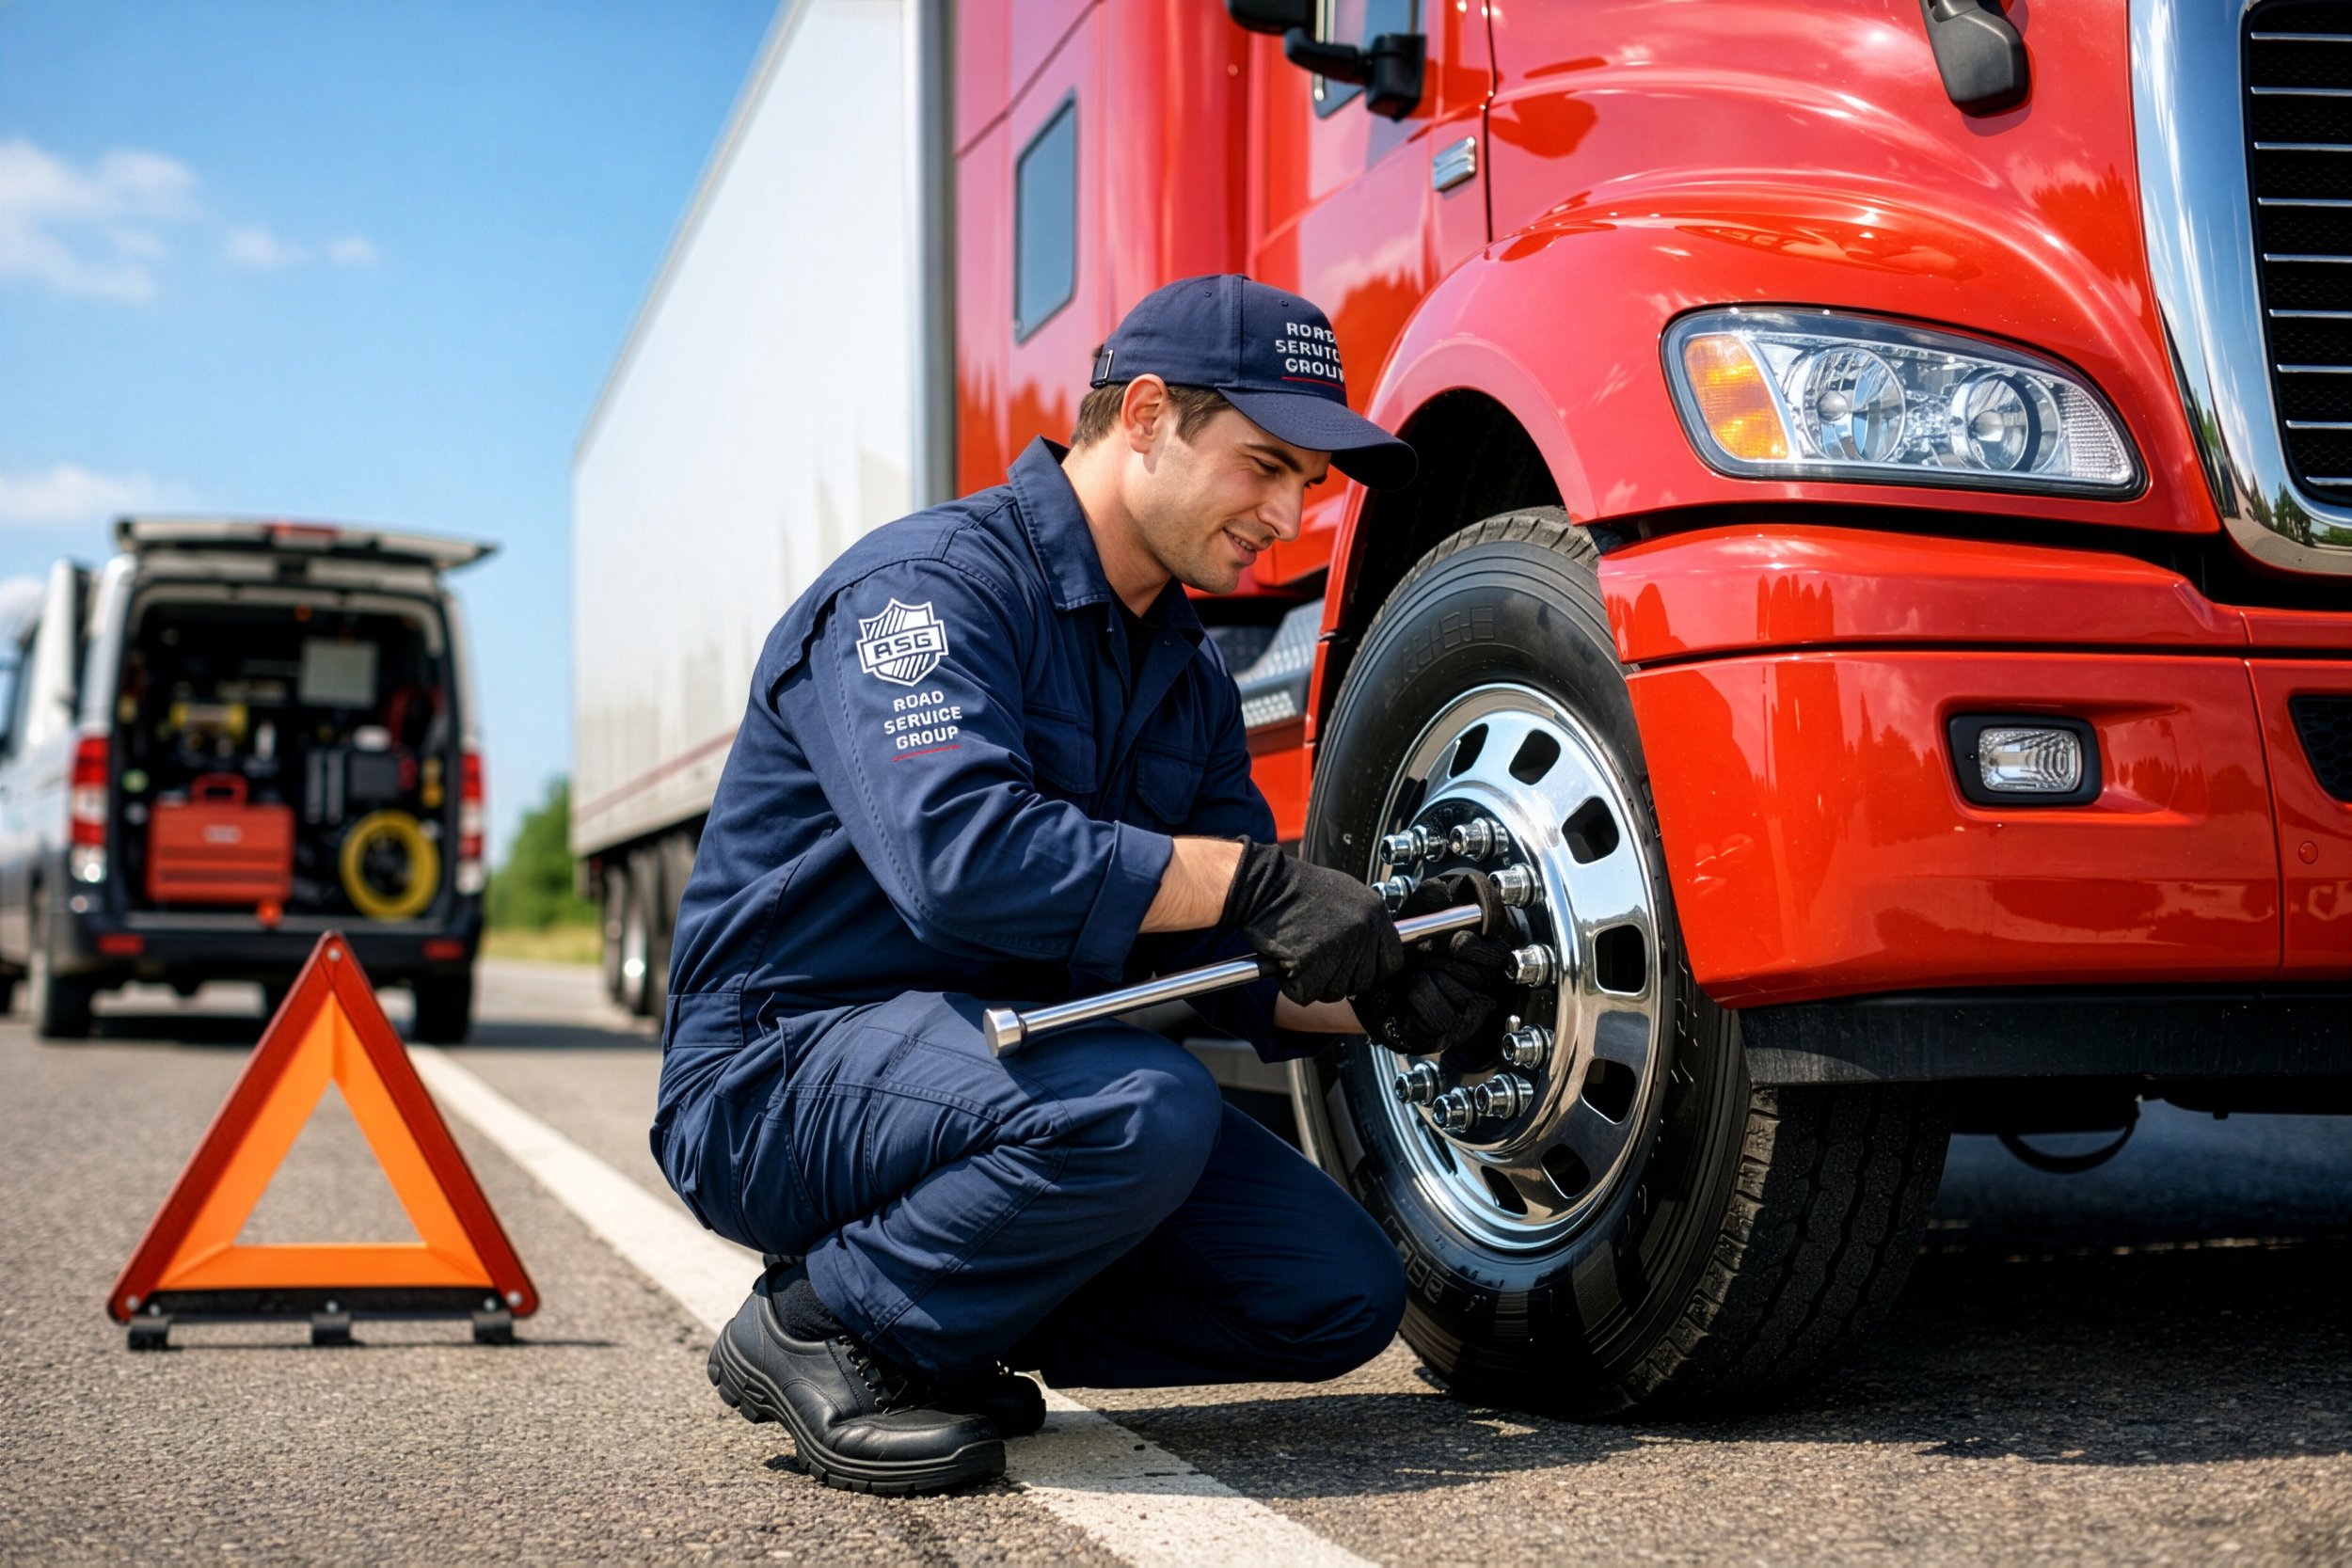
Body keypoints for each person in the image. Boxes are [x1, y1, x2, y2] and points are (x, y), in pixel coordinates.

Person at [653, 274, 1510, 1496]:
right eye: (1265, 465)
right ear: (1148, 415)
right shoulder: (930, 590)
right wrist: (1254, 884)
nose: (1287, 514)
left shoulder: (1187, 675)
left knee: (1338, 1292)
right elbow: (960, 860)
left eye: (1305, 486)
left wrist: (1387, 997)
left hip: (1000, 1072)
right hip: (780, 1070)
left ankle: (947, 1319)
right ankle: (825, 1321)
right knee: (1137, 1108)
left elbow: (1220, 953)